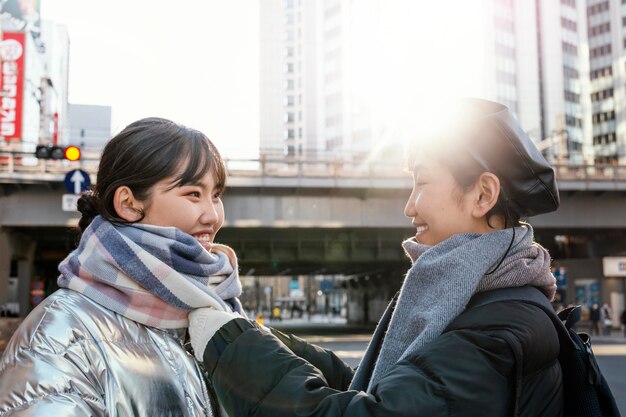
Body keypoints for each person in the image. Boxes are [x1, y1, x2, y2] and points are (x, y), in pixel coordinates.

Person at [187, 98, 563, 416]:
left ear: (482, 195)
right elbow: (375, 385)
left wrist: (232, 348)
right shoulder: (477, 298)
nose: (408, 207)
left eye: (423, 182)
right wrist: (258, 337)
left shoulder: (497, 330)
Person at [0, 117, 243, 416]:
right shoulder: (58, 335)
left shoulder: (219, 313)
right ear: (128, 203)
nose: (212, 216)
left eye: (216, 196)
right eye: (193, 193)